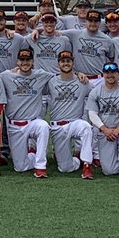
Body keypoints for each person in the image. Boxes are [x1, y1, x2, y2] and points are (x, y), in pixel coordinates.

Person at [0, 49, 51, 177]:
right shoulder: (6, 75)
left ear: (33, 61)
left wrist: (78, 73)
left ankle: (40, 166)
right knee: (20, 167)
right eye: (22, 60)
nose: (25, 63)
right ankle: (33, 156)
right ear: (17, 62)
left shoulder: (41, 74)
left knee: (43, 126)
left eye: (28, 60)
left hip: (33, 122)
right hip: (14, 125)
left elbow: (62, 75)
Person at [45, 50, 94, 178]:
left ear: (73, 63)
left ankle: (87, 164)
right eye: (62, 61)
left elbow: (99, 92)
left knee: (86, 127)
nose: (65, 64)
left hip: (75, 122)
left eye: (68, 61)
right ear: (58, 64)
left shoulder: (82, 82)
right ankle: (76, 161)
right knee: (65, 169)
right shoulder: (51, 82)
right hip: (58, 126)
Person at [86, 63, 119, 180]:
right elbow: (92, 114)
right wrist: (105, 130)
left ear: (118, 74)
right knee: (109, 171)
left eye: (113, 72)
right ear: (103, 75)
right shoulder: (95, 92)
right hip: (105, 131)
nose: (110, 75)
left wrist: (116, 131)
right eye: (107, 73)